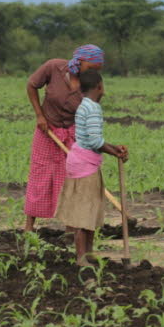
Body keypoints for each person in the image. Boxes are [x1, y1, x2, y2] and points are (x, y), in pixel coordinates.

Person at [24, 44, 105, 232]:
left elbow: (92, 110)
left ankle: (71, 227)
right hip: (47, 129)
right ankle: (29, 226)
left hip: (73, 133)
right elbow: (31, 85)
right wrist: (40, 115)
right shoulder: (54, 67)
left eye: (97, 70)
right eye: (91, 67)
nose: (93, 73)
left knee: (70, 177)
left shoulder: (90, 83)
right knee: (40, 175)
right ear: (80, 61)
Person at [55, 69, 128, 266]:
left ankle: (88, 253)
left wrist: (114, 148)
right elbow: (95, 141)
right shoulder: (93, 108)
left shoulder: (84, 105)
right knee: (84, 212)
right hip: (85, 166)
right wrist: (114, 152)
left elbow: (91, 139)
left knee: (91, 209)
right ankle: (81, 257)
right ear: (100, 87)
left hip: (80, 161)